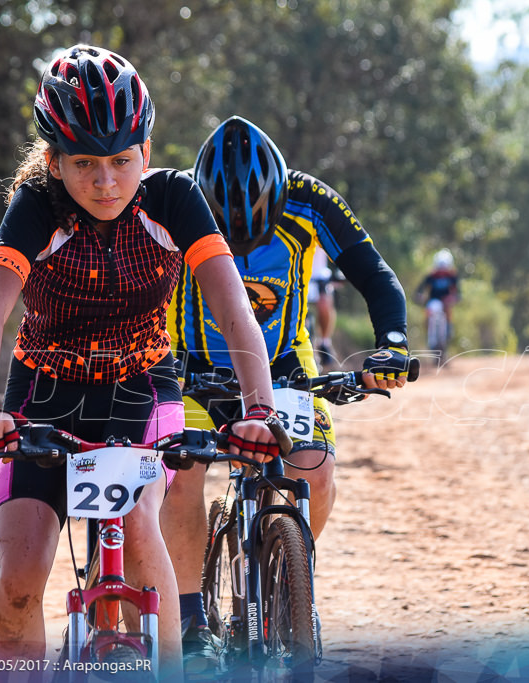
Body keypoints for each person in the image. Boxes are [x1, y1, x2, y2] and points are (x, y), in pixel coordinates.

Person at [0, 47, 280, 677]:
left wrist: (259, 409)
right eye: (83, 164)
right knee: (17, 581)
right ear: (53, 162)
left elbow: (233, 309)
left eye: (120, 161)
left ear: (146, 153)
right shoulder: (35, 207)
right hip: (42, 393)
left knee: (136, 529)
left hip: (141, 386)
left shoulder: (174, 201)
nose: (105, 182)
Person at [163, 115, 411, 672]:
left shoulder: (310, 201)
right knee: (180, 478)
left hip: (282, 365)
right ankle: (190, 620)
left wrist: (390, 345)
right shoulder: (175, 201)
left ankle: (294, 577)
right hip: (193, 365)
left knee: (314, 469)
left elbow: (374, 273)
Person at [414, 248, 460, 346]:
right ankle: (429, 335)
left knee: (448, 312)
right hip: (433, 302)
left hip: (445, 303)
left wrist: (453, 298)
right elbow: (420, 290)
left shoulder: (452, 277)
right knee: (429, 312)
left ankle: (447, 334)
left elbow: (458, 293)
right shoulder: (431, 276)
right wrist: (420, 296)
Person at [307, 246, 342, 368]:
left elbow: (337, 248)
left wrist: (340, 271)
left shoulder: (320, 226)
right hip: (295, 277)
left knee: (324, 304)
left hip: (319, 276)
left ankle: (325, 342)